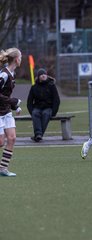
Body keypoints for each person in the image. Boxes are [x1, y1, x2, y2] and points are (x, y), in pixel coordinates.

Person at [0, 48, 22, 177]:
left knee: (12, 138)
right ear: (16, 59)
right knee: (1, 142)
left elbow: (5, 95)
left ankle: (3, 168)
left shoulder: (12, 74)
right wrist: (13, 101)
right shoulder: (3, 74)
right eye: (20, 57)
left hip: (6, 111)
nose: (21, 60)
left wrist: (14, 106)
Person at [27, 68, 60, 142]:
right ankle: (38, 134)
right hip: (37, 107)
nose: (43, 76)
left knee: (46, 114)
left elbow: (56, 100)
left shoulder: (52, 86)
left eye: (44, 74)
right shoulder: (34, 87)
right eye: (41, 74)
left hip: (48, 108)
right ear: (38, 76)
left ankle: (38, 134)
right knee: (35, 113)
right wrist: (31, 111)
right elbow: (29, 101)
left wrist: (54, 112)